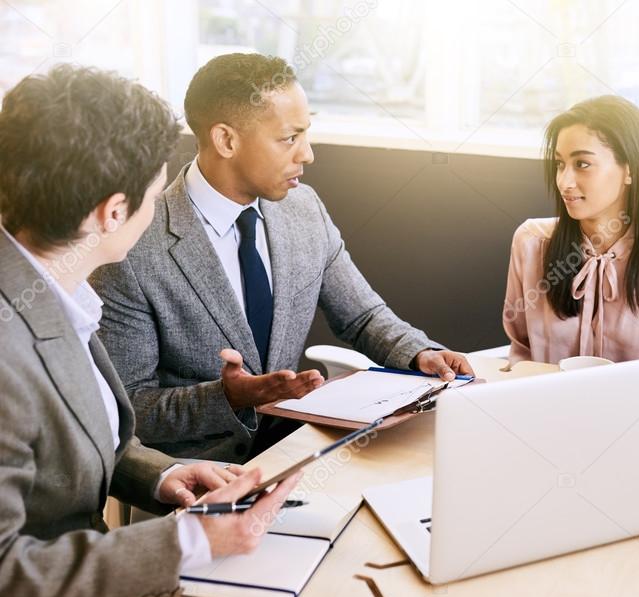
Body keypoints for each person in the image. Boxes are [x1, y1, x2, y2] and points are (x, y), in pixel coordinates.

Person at [0, 65, 301, 597]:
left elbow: (79, 446)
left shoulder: (54, 288)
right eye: (153, 192)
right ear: (113, 212)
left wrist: (166, 477)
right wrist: (188, 542)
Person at [91, 53, 473, 463]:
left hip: (298, 454)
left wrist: (419, 354)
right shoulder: (132, 246)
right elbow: (129, 408)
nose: (307, 154)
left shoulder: (303, 208)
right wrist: (227, 398)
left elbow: (362, 317)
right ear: (226, 140)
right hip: (196, 474)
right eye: (290, 138)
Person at [502, 95, 639, 364]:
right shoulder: (530, 242)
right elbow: (521, 351)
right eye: (559, 164)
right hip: (544, 403)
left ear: (630, 170)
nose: (564, 182)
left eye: (582, 164)